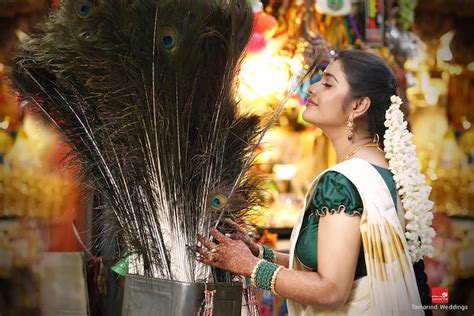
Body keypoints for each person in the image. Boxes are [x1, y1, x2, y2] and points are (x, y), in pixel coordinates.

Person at [196, 50, 434, 315]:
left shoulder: (343, 183)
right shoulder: (386, 169)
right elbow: (354, 266)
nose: (313, 88)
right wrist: (261, 255)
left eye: (328, 83)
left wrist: (250, 267)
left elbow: (331, 290)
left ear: (358, 106)